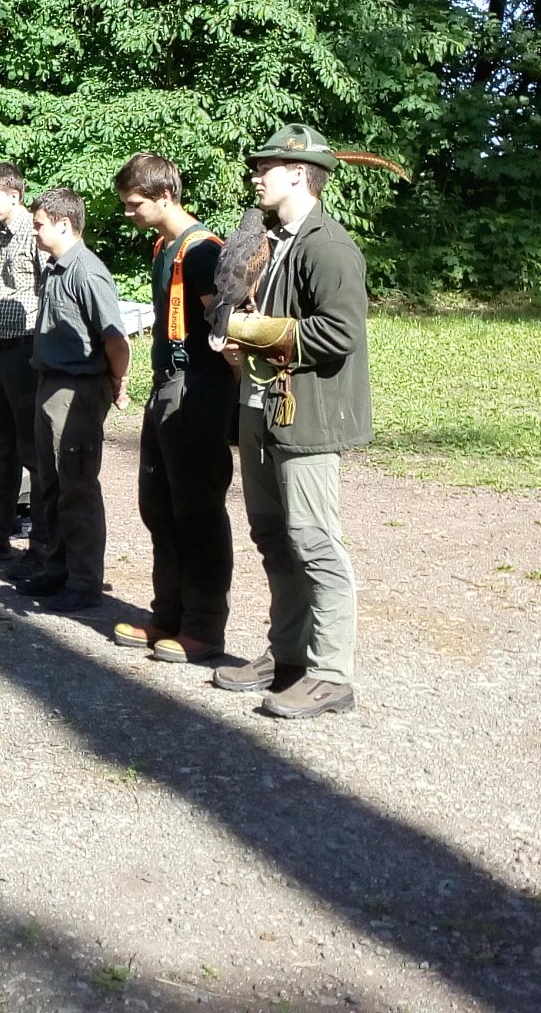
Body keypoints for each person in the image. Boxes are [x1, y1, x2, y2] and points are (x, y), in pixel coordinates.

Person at [212, 124, 372, 719]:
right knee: (273, 536)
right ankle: (288, 655)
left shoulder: (329, 247)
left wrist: (257, 331)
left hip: (308, 416)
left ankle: (330, 675)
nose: (256, 175)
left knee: (313, 541)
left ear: (300, 173)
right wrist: (242, 335)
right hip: (260, 407)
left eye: (267, 166)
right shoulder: (272, 238)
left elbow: (340, 332)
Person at [111, 154, 235, 662]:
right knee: (159, 508)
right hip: (167, 388)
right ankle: (167, 617)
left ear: (165, 196)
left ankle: (203, 628)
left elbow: (228, 329)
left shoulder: (203, 252)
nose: (129, 213)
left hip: (198, 392)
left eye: (134, 204)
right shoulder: (165, 246)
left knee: (198, 512)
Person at [14, 188, 131, 614]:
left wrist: (118, 380)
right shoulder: (55, 269)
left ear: (64, 224)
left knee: (76, 486)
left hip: (78, 389)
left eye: (39, 224)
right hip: (50, 384)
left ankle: (84, 583)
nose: (34, 230)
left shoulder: (86, 272)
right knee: (50, 485)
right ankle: (57, 569)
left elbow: (115, 339)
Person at [0, 163, 43, 565]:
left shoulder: (35, 234)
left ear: (14, 196)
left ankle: (41, 547)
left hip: (25, 349)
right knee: (2, 449)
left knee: (32, 451)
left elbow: (51, 291)